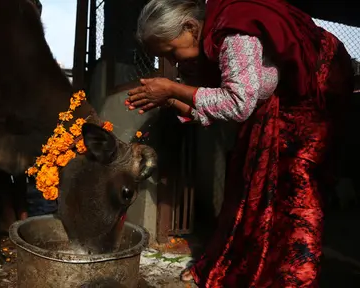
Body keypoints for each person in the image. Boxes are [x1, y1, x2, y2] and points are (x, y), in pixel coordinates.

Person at [126, 0, 354, 286]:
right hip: (277, 96)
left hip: (318, 85)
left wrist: (173, 88)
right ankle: (246, 265)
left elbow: (238, 104)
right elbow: (238, 98)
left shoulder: (234, 33)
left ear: (190, 27)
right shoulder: (210, 42)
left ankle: (294, 277)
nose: (174, 62)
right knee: (251, 176)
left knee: (297, 181)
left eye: (172, 51)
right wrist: (172, 99)